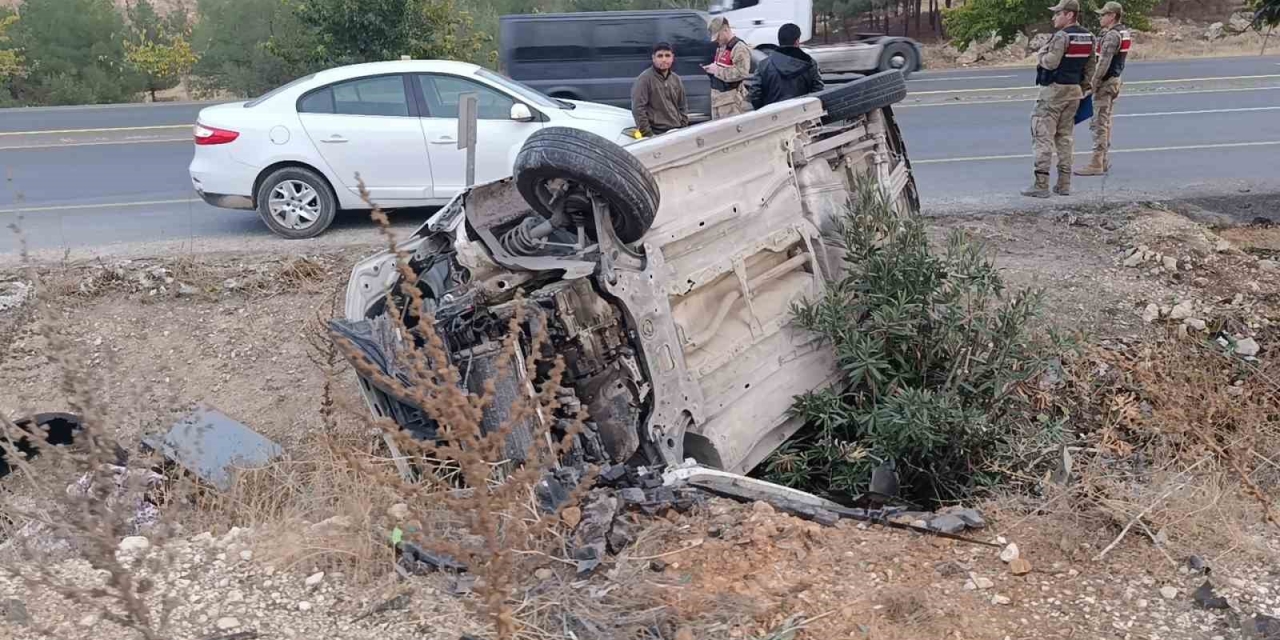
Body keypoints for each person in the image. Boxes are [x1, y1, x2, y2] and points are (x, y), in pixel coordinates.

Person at [1021, 0, 1096, 199]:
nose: (1054, 17)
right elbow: (1090, 67)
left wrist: (1041, 54)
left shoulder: (1062, 36)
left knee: (1042, 136)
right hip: (1074, 91)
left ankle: (1041, 183)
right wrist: (1083, 87)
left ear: (1069, 15)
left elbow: (1051, 64)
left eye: (1057, 13)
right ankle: (1064, 184)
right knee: (1065, 137)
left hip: (1054, 92)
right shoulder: (1089, 36)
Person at [1075, 1, 1130, 176]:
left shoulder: (1113, 35)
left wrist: (1093, 83)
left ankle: (1097, 162)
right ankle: (1103, 160)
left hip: (1106, 83)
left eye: (1103, 15)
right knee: (1105, 121)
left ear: (1112, 16)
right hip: (1115, 80)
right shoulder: (1123, 32)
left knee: (1099, 122)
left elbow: (1103, 63)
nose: (1100, 18)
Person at [750, 23, 824, 110]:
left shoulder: (763, 65)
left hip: (771, 116)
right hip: (802, 114)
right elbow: (818, 91)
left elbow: (755, 94)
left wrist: (763, 110)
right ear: (797, 41)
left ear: (779, 41)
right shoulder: (810, 63)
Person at [631, 42, 689, 137]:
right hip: (657, 134)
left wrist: (683, 126)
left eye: (667, 55)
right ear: (653, 58)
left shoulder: (676, 79)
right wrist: (648, 134)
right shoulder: (644, 79)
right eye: (660, 56)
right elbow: (638, 109)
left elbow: (683, 105)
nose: (664, 59)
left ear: (672, 58)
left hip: (677, 131)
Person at [703, 16, 753, 119]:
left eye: (718, 36)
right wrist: (711, 69)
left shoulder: (739, 48)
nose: (716, 40)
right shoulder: (722, 46)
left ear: (726, 29)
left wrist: (717, 71)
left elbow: (742, 72)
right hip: (718, 101)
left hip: (732, 103)